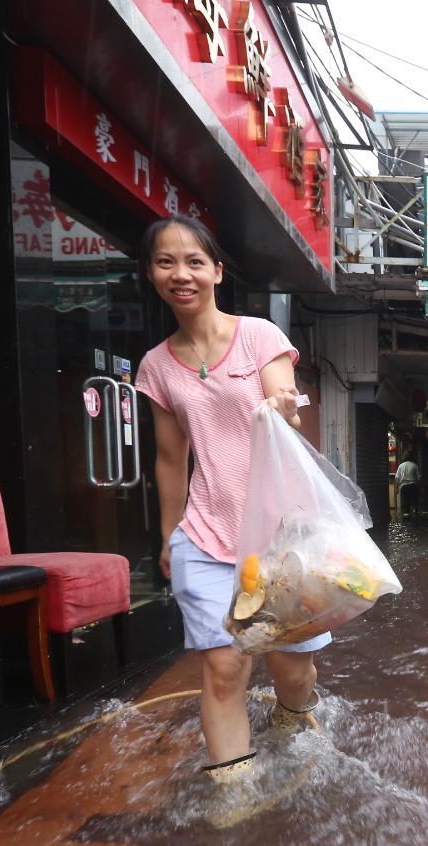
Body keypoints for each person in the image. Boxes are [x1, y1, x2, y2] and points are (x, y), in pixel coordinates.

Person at [133, 214, 325, 801]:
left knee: (291, 670)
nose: (180, 274)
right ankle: (235, 797)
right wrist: (170, 535)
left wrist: (283, 405)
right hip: (207, 533)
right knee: (224, 668)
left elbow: (284, 406)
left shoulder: (261, 336)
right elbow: (171, 458)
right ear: (151, 274)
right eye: (166, 262)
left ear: (217, 271)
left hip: (280, 537)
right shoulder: (157, 366)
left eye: (194, 261)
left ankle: (293, 715)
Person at [395, 451, 422, 518]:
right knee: (414, 500)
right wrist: (420, 487)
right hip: (413, 486)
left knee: (405, 501)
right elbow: (419, 478)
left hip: (404, 486)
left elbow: (397, 478)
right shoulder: (414, 465)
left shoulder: (401, 466)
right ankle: (415, 513)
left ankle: (406, 515)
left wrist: (396, 488)